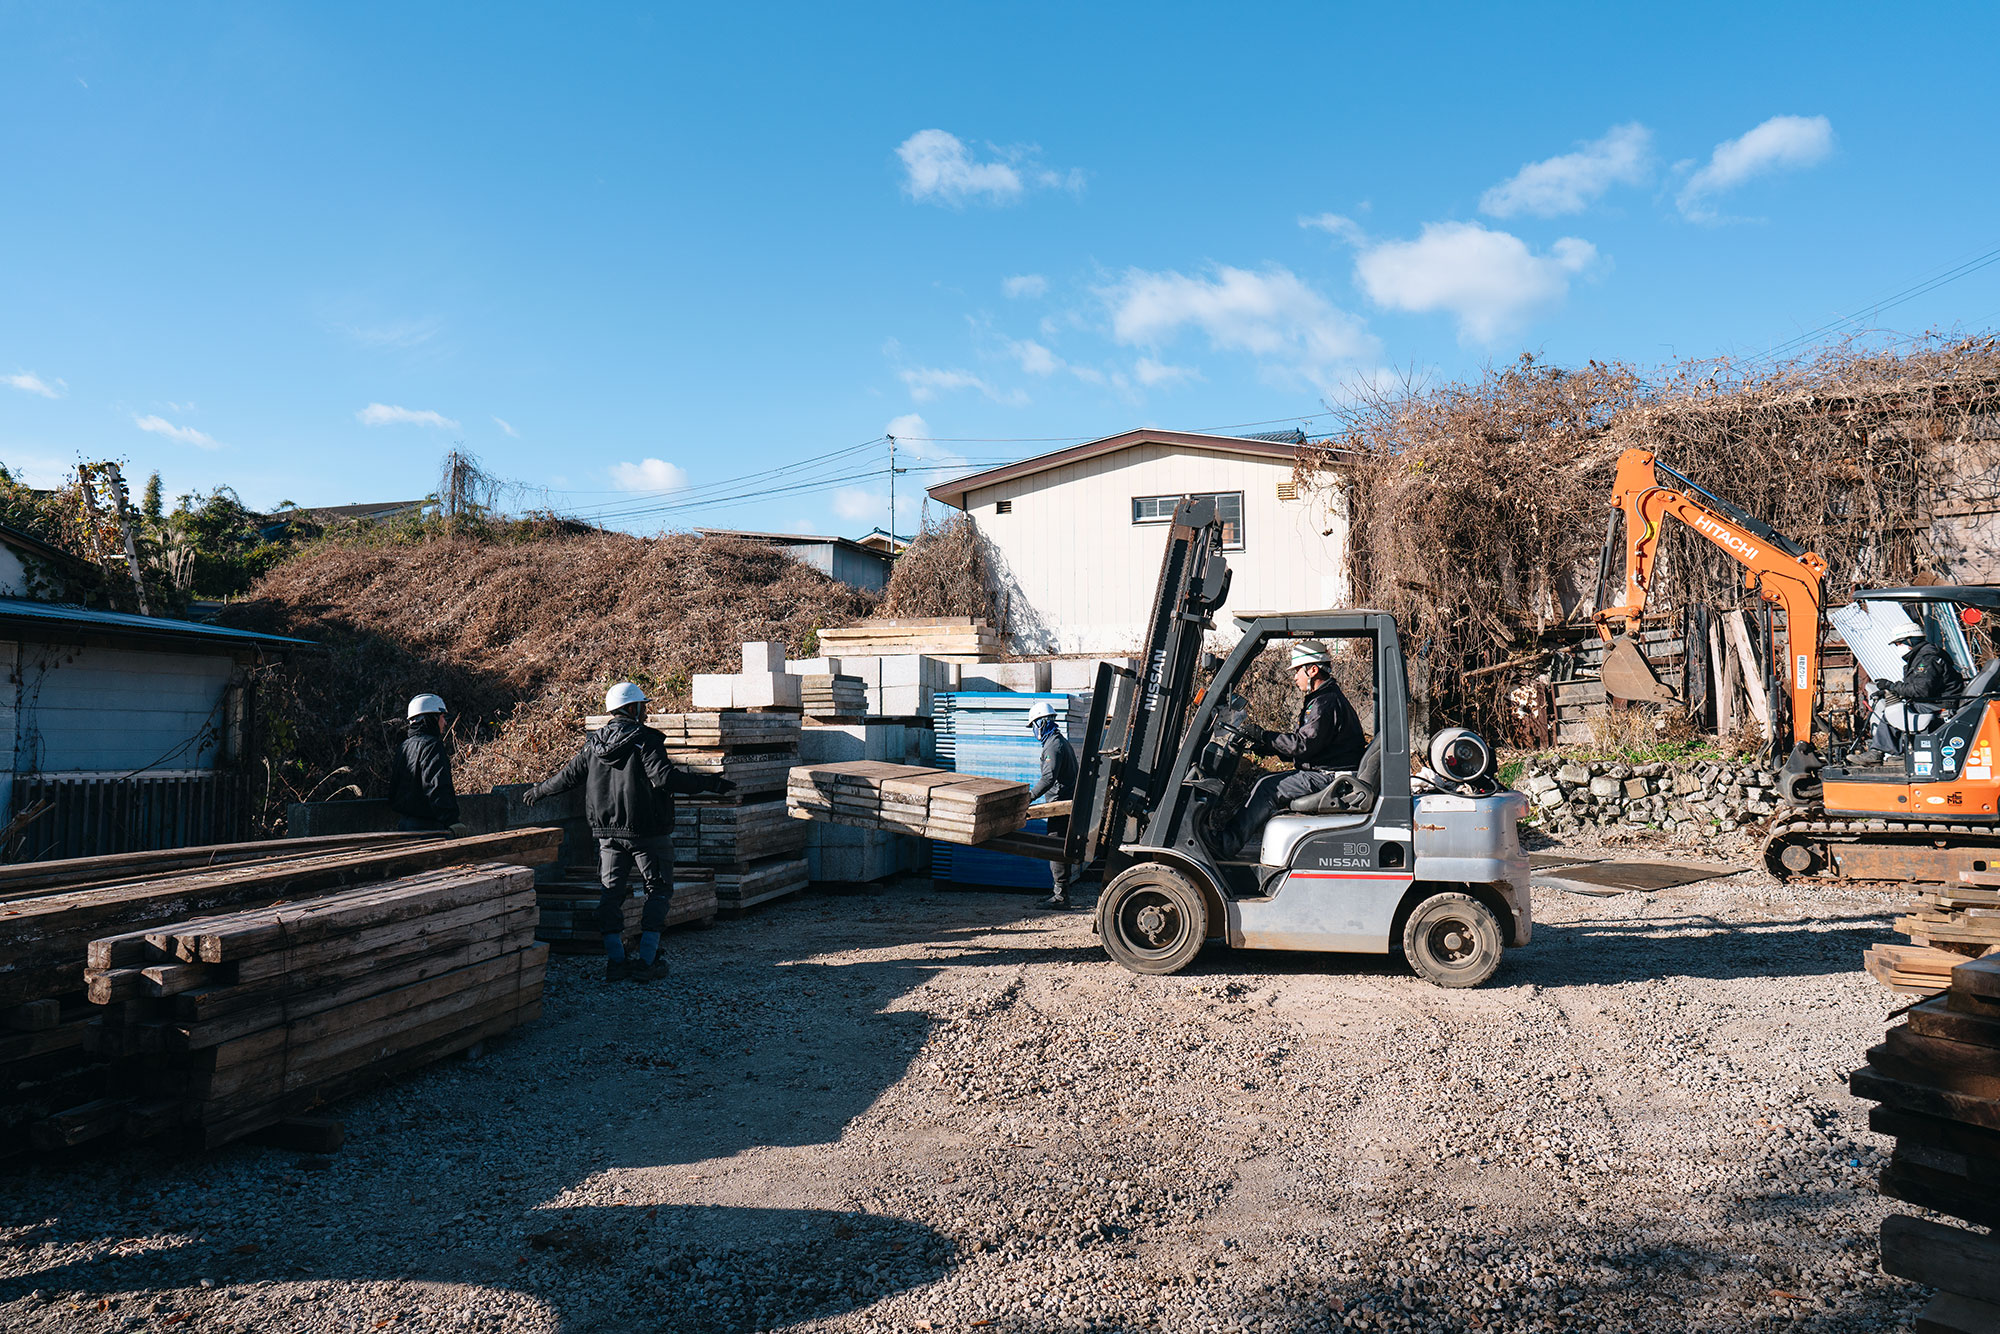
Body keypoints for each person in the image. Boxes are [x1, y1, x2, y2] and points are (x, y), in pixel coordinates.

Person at [521, 682, 733, 983]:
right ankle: (646, 960)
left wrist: (538, 791)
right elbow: (664, 778)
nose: (645, 712)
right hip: (647, 832)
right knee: (658, 889)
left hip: (608, 834)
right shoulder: (645, 740)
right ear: (632, 708)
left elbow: (567, 777)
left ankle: (616, 961)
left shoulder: (594, 745)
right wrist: (710, 784)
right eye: (642, 706)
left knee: (610, 894)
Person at [1221, 642, 1367, 859]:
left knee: (1267, 788)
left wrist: (1265, 736)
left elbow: (1303, 744)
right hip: (1326, 770)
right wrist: (1268, 747)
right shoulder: (1324, 698)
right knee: (1264, 781)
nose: (1295, 677)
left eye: (1298, 670)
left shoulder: (1325, 702)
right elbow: (1309, 747)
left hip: (1329, 776)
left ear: (1313, 670)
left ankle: (1225, 846)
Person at [1868, 631, 1967, 755]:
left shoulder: (1927, 660)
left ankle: (1878, 752)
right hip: (1936, 701)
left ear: (1910, 641)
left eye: (1899, 644)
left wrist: (1891, 686)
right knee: (1896, 710)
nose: (1898, 648)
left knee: (1893, 713)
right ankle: (1895, 753)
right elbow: (1916, 687)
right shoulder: (1921, 657)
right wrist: (1889, 690)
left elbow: (1920, 691)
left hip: (1939, 704)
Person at [1024, 700, 1080, 910]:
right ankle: (1060, 893)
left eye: (1034, 725)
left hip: (1060, 806)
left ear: (1042, 723)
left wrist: (1030, 797)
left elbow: (1048, 778)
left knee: (1055, 848)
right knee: (1059, 848)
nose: (1034, 730)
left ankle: (1060, 897)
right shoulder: (1059, 741)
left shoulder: (1054, 745)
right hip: (1063, 802)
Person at [387, 694, 468, 835]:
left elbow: (394, 788)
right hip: (429, 826)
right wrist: (452, 820)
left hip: (404, 825)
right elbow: (437, 786)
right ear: (431, 718)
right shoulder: (432, 745)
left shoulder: (404, 746)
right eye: (442, 717)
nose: (445, 722)